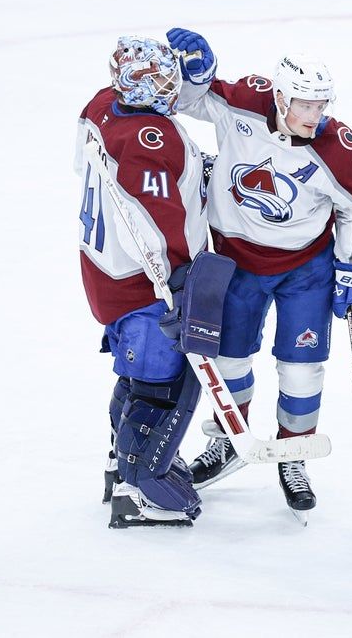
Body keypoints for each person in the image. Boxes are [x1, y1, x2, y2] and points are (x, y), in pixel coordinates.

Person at [166, 28, 352, 524]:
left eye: (321, 105)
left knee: (302, 368)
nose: (314, 115)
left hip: (305, 268)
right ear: (280, 97)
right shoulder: (243, 102)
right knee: (229, 358)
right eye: (304, 104)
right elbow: (189, 102)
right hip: (236, 262)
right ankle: (229, 441)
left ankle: (294, 453)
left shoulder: (336, 148)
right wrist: (197, 73)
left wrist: (351, 267)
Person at [76, 36, 233, 527]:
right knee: (162, 384)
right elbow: (153, 220)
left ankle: (119, 464)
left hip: (105, 270)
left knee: (135, 375)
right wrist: (179, 279)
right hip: (144, 285)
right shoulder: (151, 136)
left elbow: (98, 172)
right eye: (161, 82)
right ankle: (139, 489)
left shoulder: (102, 105)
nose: (171, 89)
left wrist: (193, 174)